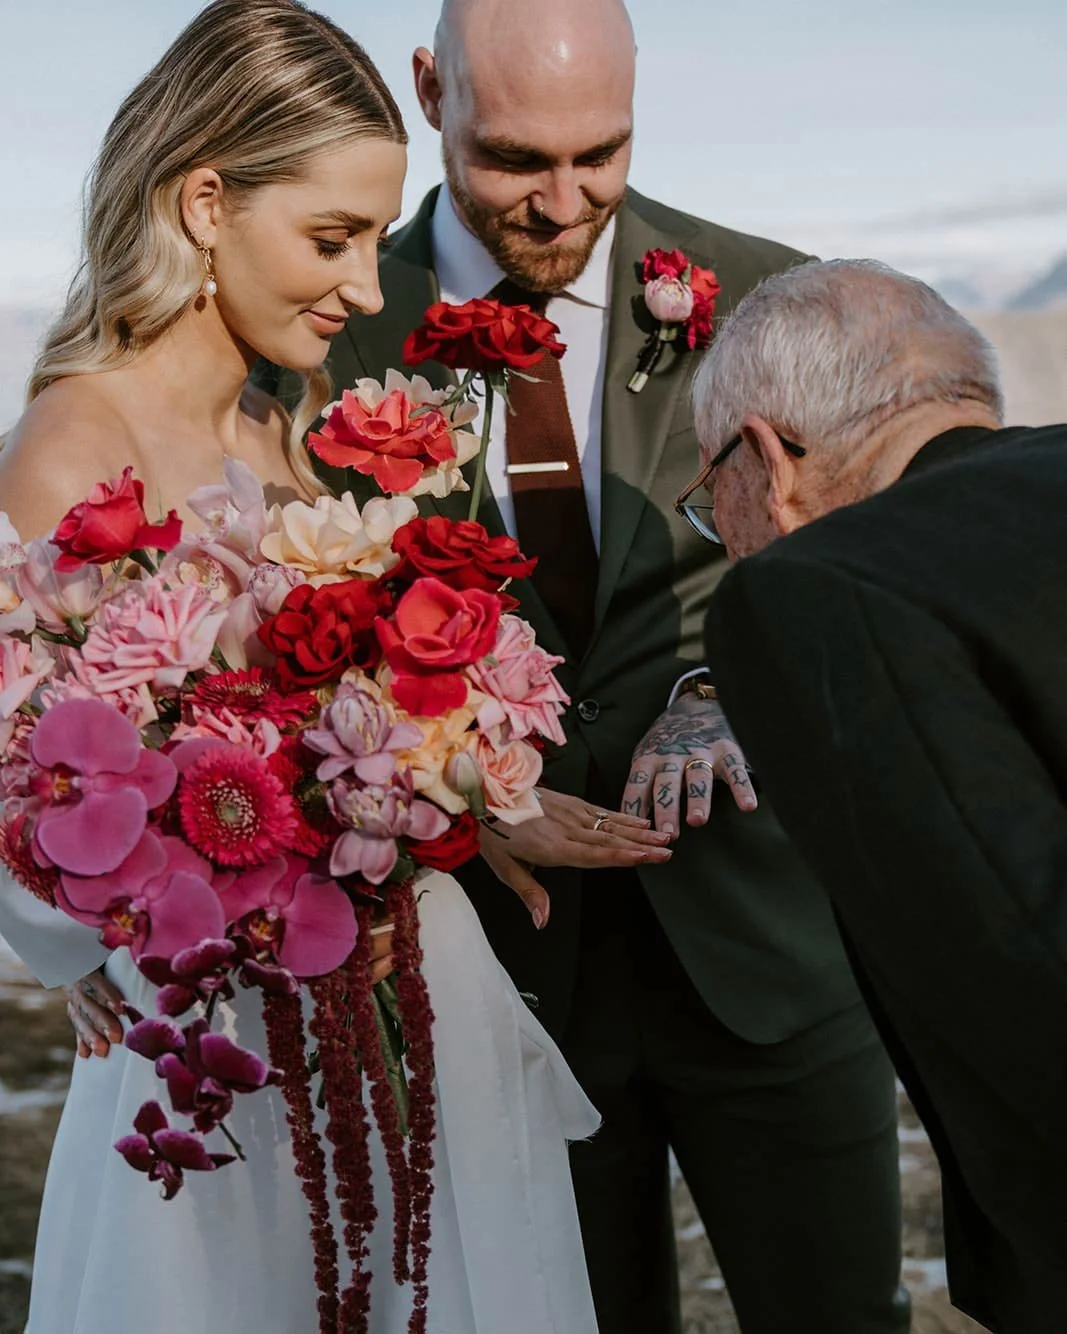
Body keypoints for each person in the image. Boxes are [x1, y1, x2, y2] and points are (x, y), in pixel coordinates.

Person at [258, 4, 910, 1330]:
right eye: (513, 160)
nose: (563, 202)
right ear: (429, 91)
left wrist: (726, 686)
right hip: (494, 976)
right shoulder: (314, 335)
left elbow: (871, 575)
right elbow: (285, 641)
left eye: (599, 152)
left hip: (765, 944)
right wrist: (453, 795)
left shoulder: (774, 292)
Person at [0, 3, 602, 1331]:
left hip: (418, 998)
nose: (364, 289)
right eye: (329, 240)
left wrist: (458, 793)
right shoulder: (70, 444)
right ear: (205, 201)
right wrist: (63, 942)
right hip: (226, 1047)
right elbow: (44, 802)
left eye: (369, 241)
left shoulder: (282, 436)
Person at [691, 257, 1067, 1334]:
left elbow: (1019, 956)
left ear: (764, 458)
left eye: (706, 496)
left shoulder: (809, 595)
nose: (721, 535)